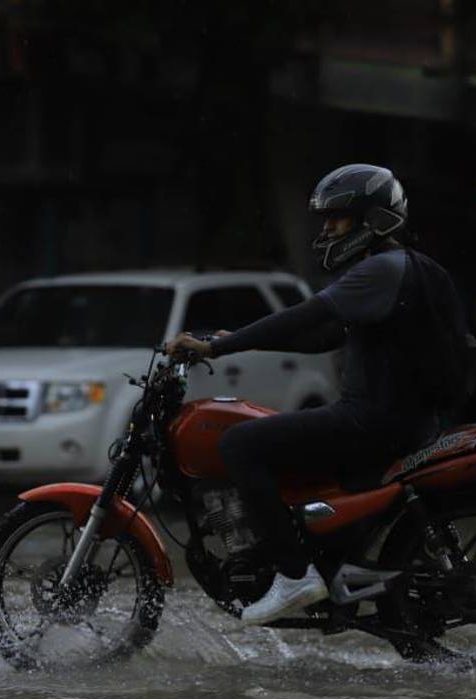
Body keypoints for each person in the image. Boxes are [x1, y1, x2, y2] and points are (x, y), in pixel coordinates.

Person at [166, 163, 457, 625]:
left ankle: (294, 574)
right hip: (402, 418)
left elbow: (305, 315)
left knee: (239, 443)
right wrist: (240, 337)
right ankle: (323, 566)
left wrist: (217, 346)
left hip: (373, 420)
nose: (327, 229)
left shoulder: (381, 269)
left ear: (373, 220)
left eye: (337, 218)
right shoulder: (407, 268)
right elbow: (325, 336)